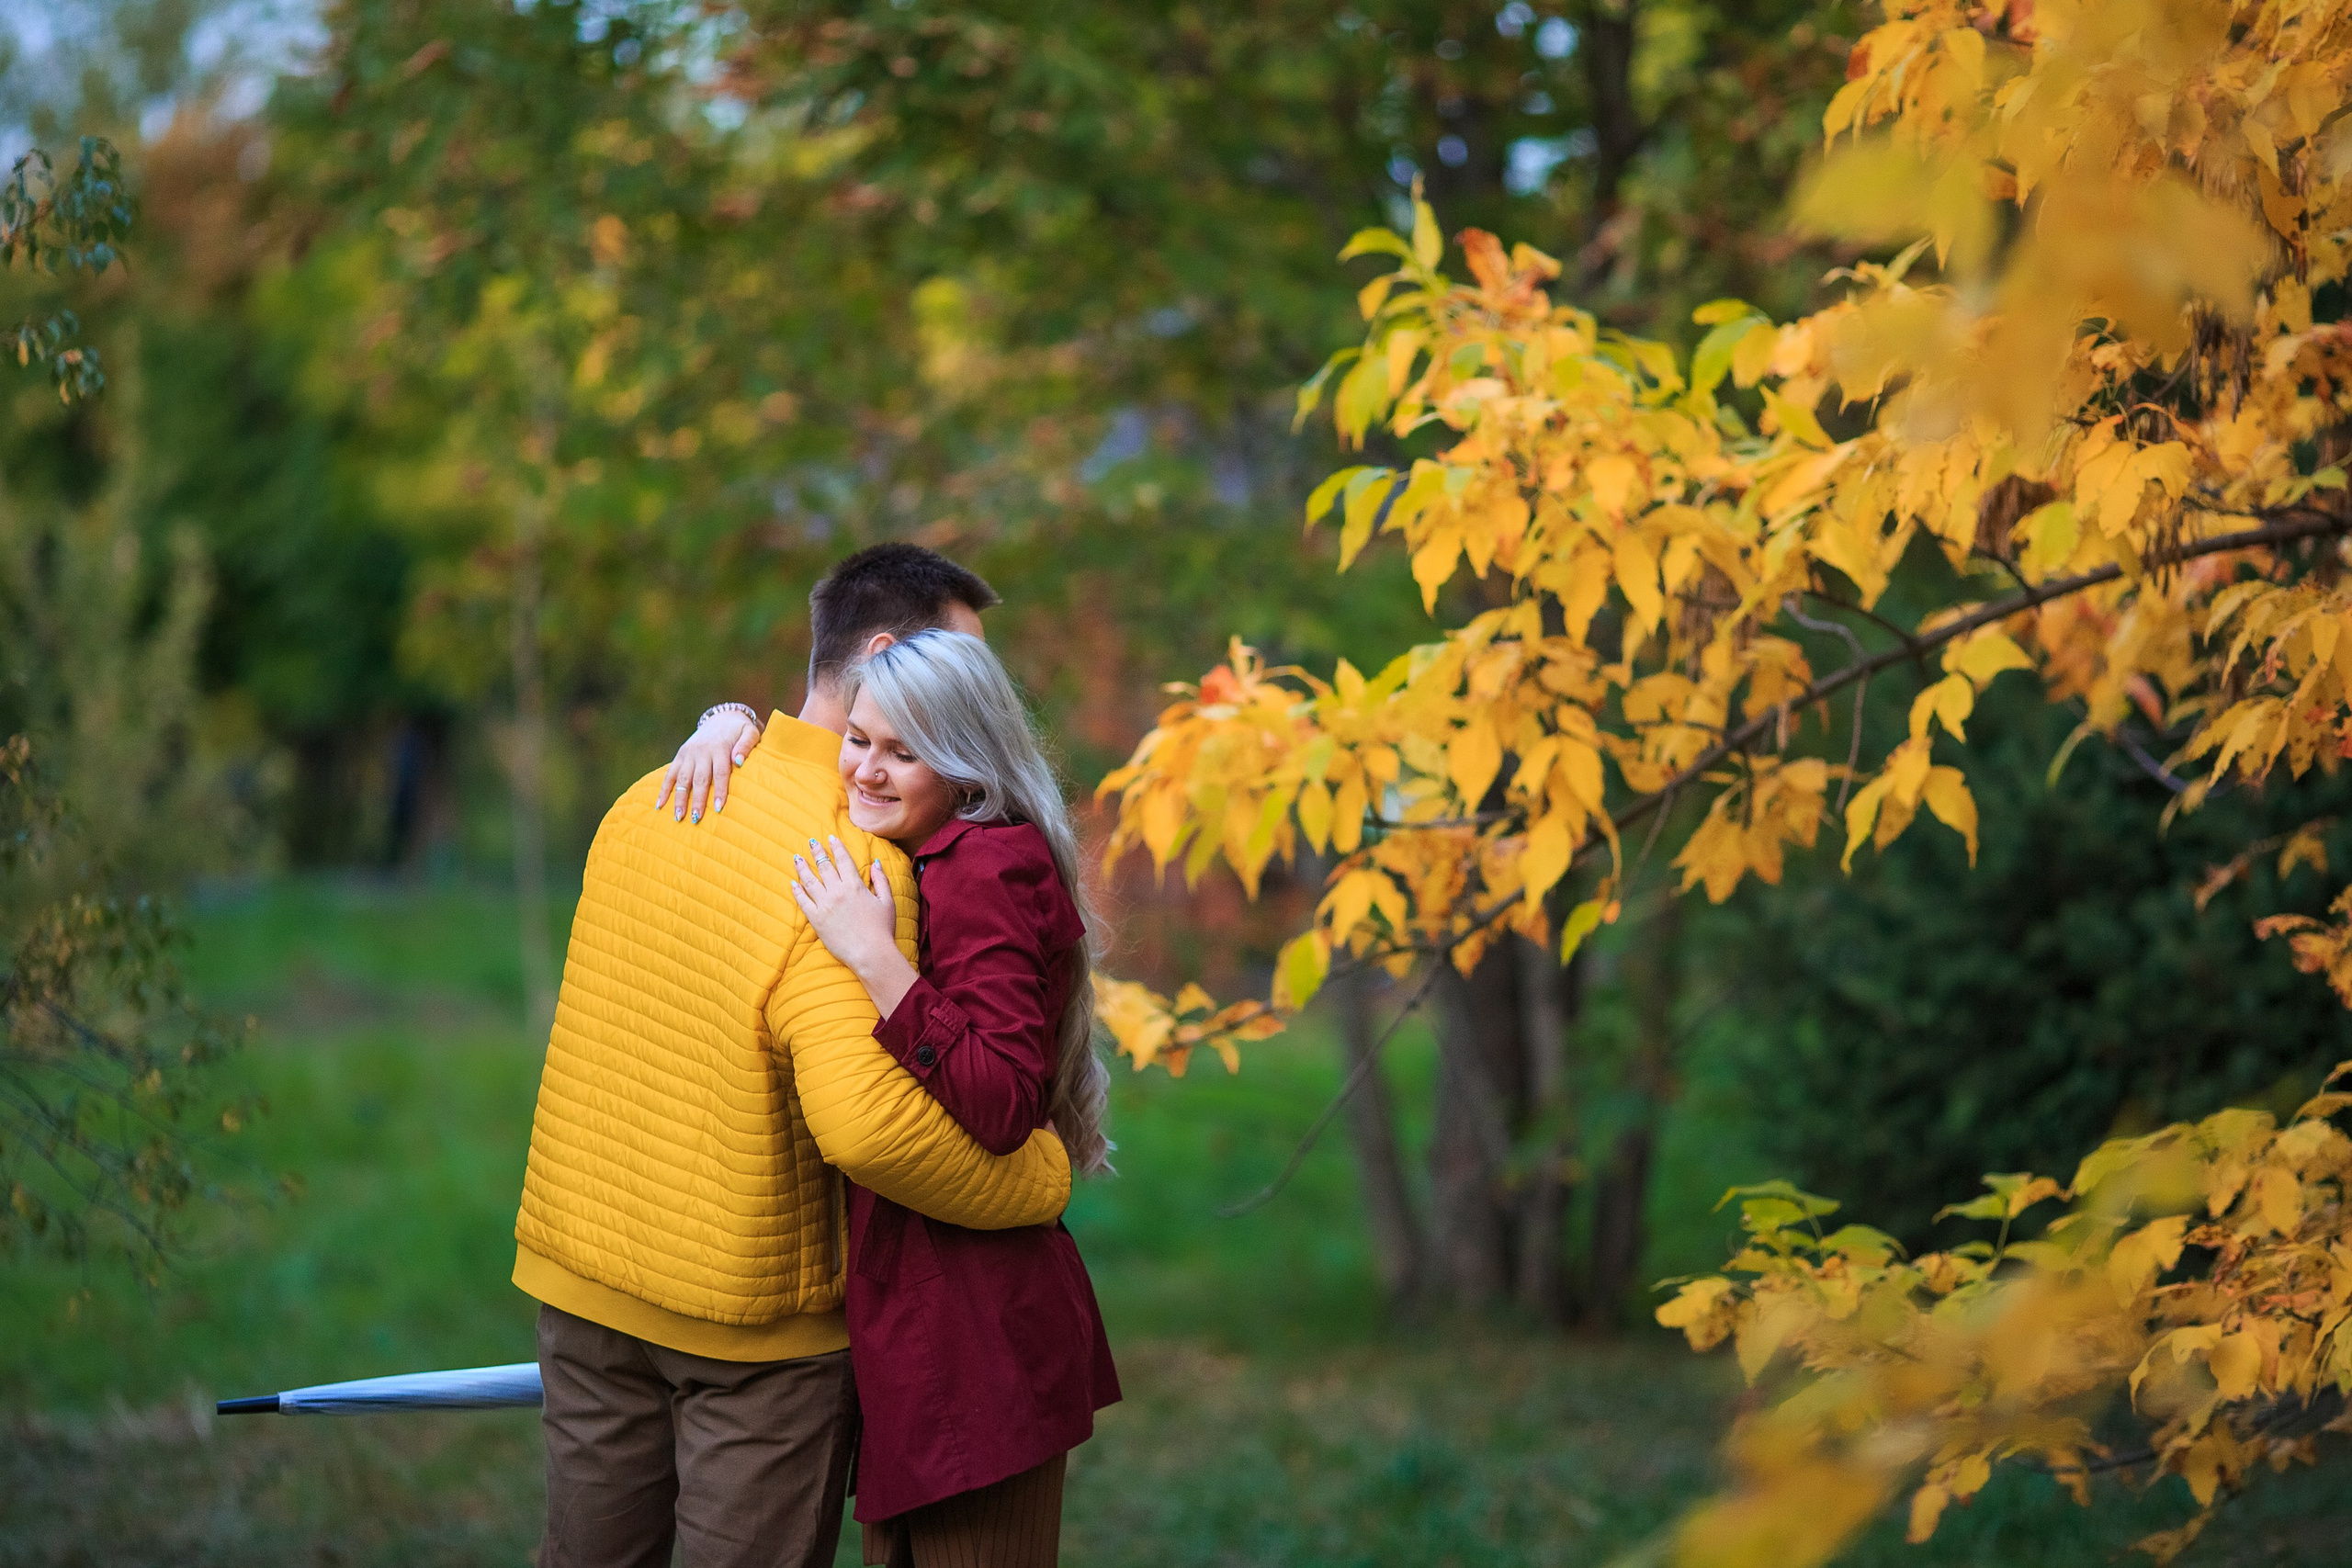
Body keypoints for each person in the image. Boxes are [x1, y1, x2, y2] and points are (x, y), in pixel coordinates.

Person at [514, 544, 1071, 1568]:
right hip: (747, 1330)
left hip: (580, 1282)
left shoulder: (647, 799)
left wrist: (726, 720)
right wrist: (1037, 1176)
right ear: (894, 654)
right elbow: (868, 1127)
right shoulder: (851, 861)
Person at [786, 628, 1120, 1568]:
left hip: (979, 1334)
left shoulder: (989, 867)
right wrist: (717, 723)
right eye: (860, 739)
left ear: (966, 768)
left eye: (906, 751)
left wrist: (875, 959)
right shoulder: (923, 852)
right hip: (918, 1318)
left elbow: (1005, 1100)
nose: (866, 770)